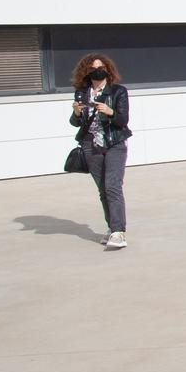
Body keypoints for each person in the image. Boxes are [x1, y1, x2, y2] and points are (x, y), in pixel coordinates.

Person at [68, 53, 131, 250]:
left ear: (108, 70)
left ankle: (119, 232)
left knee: (113, 185)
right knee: (103, 190)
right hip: (90, 144)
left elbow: (123, 120)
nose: (98, 70)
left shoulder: (118, 91)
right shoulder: (82, 93)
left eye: (101, 67)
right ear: (86, 72)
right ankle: (112, 228)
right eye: (93, 68)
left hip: (114, 143)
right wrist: (76, 113)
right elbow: (75, 123)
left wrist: (110, 111)